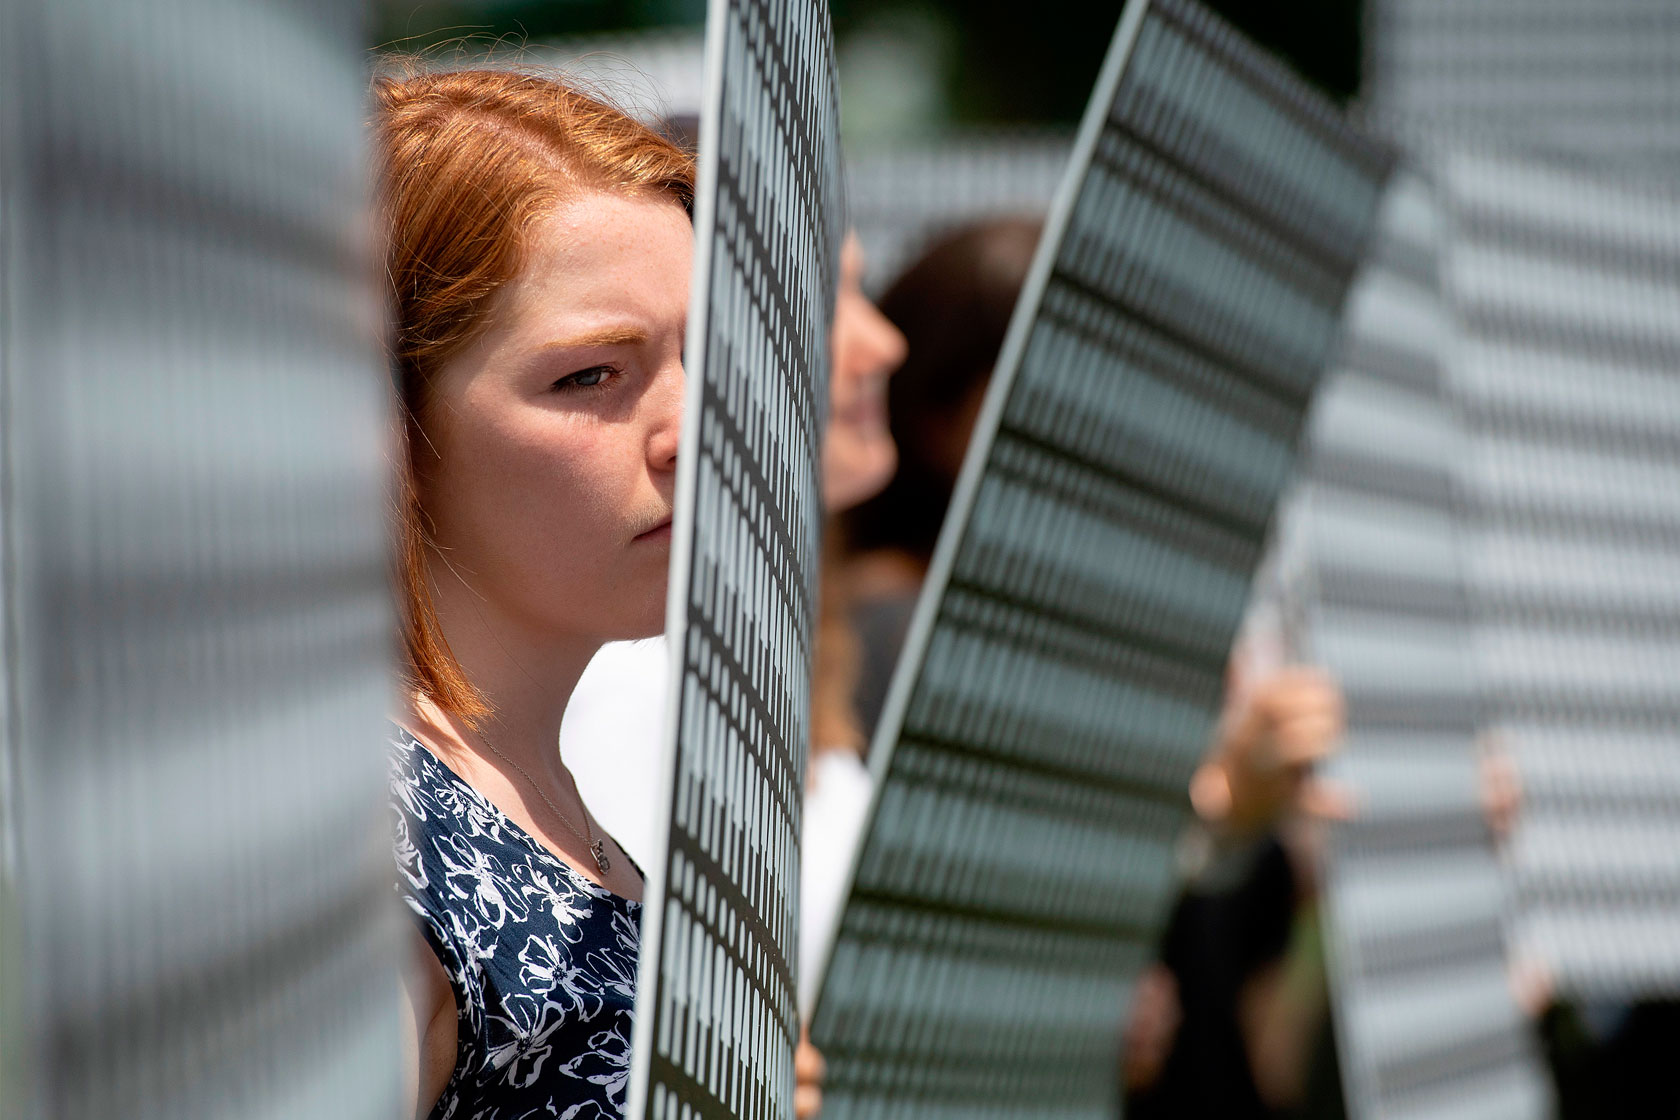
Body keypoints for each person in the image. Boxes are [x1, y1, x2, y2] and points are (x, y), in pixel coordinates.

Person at [374, 67, 820, 1119]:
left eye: (707, 364)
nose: (693, 432)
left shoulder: (513, 791)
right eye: (590, 377)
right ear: (392, 421)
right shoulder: (366, 844)